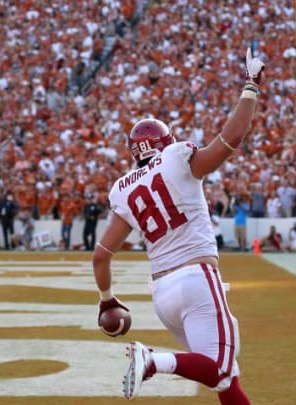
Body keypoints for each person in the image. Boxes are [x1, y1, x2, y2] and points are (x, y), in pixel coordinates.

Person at [92, 49, 263, 404]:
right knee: (218, 367)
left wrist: (106, 301)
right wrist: (251, 86)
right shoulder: (176, 157)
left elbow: (101, 256)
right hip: (195, 277)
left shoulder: (123, 188)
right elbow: (230, 141)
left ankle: (156, 361)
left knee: (226, 380)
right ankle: (153, 361)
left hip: (162, 293)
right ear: (164, 142)